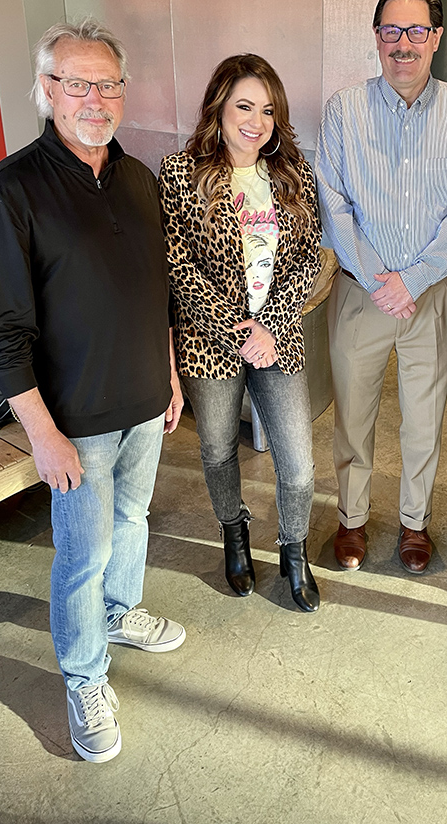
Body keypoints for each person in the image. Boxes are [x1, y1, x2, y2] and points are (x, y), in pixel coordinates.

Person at [0, 20, 185, 764]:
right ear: (46, 91)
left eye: (107, 83)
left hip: (141, 401)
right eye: (77, 82)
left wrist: (166, 374)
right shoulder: (14, 189)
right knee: (82, 551)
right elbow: (1, 330)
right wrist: (40, 432)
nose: (94, 98)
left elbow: (153, 290)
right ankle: (83, 676)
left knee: (133, 522)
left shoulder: (137, 177)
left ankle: (118, 612)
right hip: (75, 420)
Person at [316, 0, 447, 574]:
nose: (404, 44)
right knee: (353, 415)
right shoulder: (344, 109)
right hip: (361, 295)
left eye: (417, 31)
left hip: (430, 298)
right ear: (377, 37)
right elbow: (332, 205)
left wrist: (412, 280)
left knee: (424, 418)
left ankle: (415, 524)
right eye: (392, 31)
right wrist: (377, 277)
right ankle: (351, 520)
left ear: (436, 38)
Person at [159, 54, 322, 613]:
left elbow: (308, 260)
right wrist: (238, 328)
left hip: (276, 339)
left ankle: (293, 550)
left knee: (298, 463)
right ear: (219, 108)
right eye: (244, 106)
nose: (256, 121)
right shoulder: (181, 173)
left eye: (268, 110)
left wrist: (270, 325)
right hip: (210, 341)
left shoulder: (293, 174)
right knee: (216, 448)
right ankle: (234, 532)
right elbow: (180, 268)